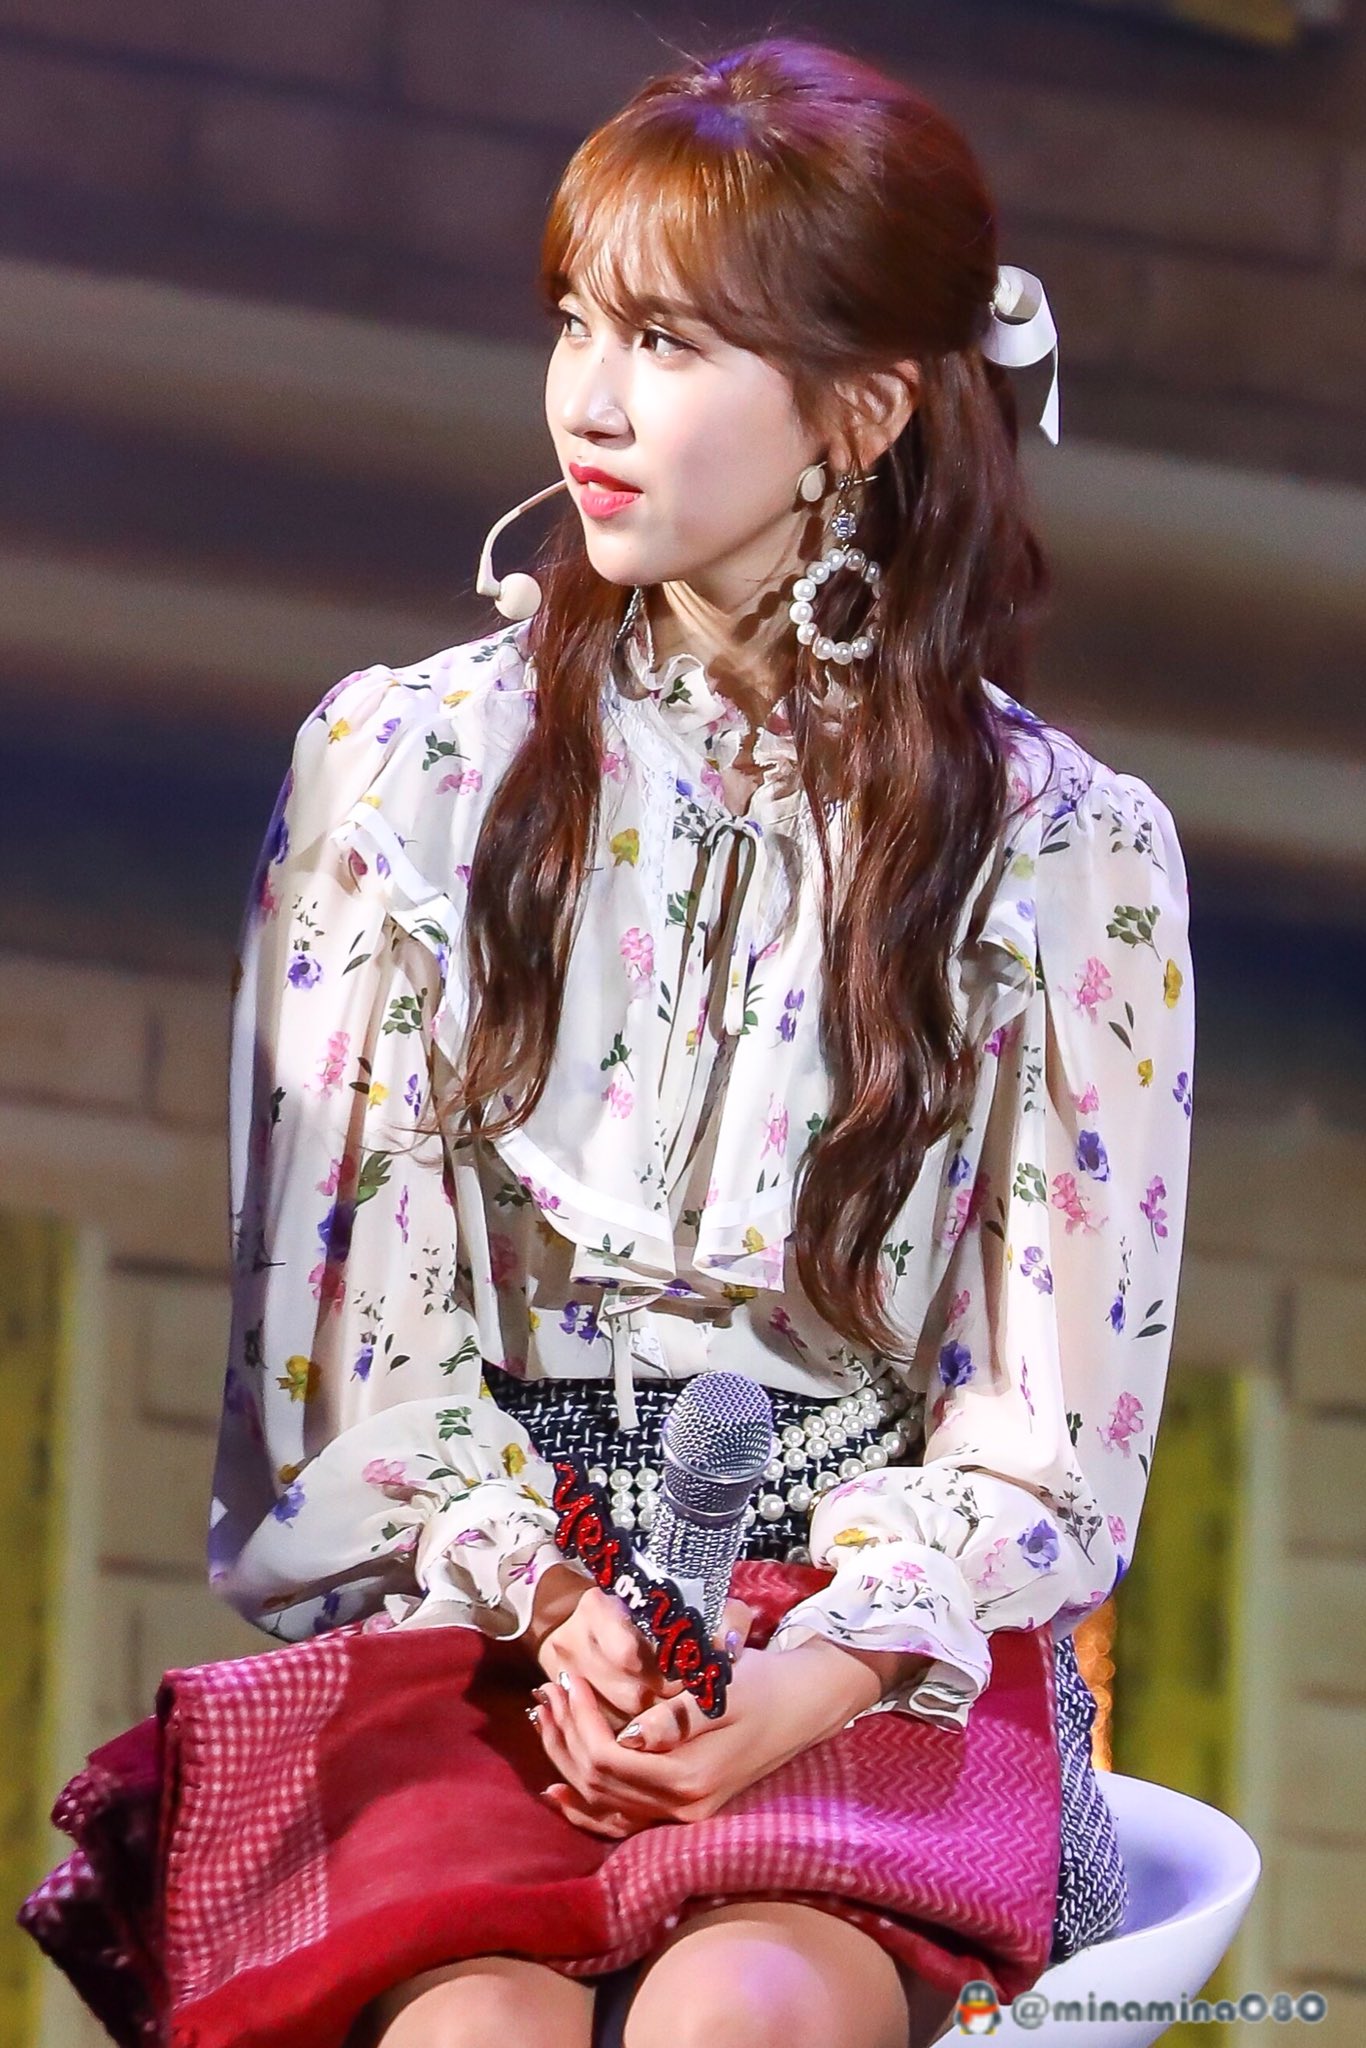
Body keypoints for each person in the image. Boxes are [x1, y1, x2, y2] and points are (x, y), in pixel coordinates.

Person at [25, 36, 1195, 2048]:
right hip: (493, 1618)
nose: (587, 395)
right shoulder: (404, 763)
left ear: (859, 410)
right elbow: (348, 1342)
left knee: (734, 2012)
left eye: (664, 341)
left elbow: (1048, 1429)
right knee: (471, 2030)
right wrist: (556, 1599)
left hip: (858, 1652)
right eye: (575, 321)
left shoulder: (1063, 847)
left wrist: (805, 1672)